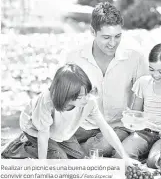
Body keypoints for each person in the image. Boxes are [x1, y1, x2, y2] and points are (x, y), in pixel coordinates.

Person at [2, 64, 133, 164]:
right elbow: (43, 135)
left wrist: (125, 157)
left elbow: (106, 129)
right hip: (36, 129)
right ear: (66, 96)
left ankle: (49, 148)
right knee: (59, 161)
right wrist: (42, 165)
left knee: (80, 159)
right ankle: (18, 147)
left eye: (87, 93)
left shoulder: (89, 101)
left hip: (60, 131)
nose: (86, 99)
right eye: (80, 97)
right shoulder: (47, 102)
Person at [65, 2, 148, 156]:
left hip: (118, 126)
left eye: (117, 36)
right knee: (51, 138)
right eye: (106, 37)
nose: (112, 43)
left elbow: (145, 95)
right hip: (82, 124)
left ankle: (77, 152)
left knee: (100, 147)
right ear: (92, 31)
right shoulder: (75, 57)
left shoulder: (135, 56)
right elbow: (64, 97)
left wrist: (136, 119)